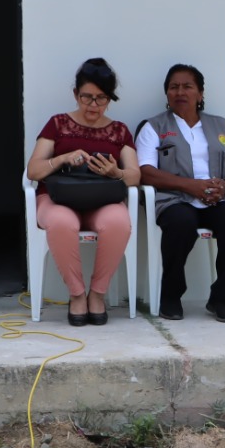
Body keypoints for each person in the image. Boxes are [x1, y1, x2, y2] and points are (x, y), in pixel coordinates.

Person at [25, 58, 140, 325]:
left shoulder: (119, 131)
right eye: (87, 97)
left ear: (110, 99)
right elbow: (33, 170)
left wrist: (116, 173)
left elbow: (135, 175)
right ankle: (77, 295)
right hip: (58, 198)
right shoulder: (58, 124)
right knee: (62, 222)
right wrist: (62, 159)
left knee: (118, 222)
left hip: (102, 199)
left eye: (101, 99)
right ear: (75, 94)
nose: (93, 106)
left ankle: (97, 294)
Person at [136, 64, 225, 322]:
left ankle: (221, 298)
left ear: (200, 93)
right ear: (166, 94)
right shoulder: (154, 127)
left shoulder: (221, 125)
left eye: (187, 86)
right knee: (181, 223)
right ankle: (171, 296)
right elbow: (145, 172)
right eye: (173, 87)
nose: (180, 92)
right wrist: (191, 186)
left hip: (216, 199)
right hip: (174, 199)